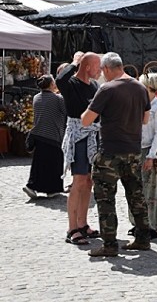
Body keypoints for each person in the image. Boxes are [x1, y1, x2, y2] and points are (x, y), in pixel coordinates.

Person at [82, 52, 152, 257]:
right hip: (133, 150)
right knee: (136, 196)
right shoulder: (140, 87)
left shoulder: (107, 89)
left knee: (105, 199)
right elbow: (145, 119)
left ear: (106, 69)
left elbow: (86, 120)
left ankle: (110, 244)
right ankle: (142, 239)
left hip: (110, 152)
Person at [58, 51, 101, 246]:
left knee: (89, 181)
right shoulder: (71, 84)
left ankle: (83, 223)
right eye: (97, 66)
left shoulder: (94, 85)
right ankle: (72, 228)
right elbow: (60, 78)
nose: (100, 70)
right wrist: (75, 61)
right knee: (78, 181)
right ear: (87, 67)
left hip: (93, 135)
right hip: (78, 136)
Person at [130, 72, 157, 239]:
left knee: (152, 190)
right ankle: (137, 223)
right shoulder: (140, 105)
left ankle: (153, 225)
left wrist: (151, 155)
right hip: (138, 149)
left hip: (151, 150)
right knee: (136, 189)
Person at [23, 74, 66, 199]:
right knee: (54, 163)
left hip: (38, 134)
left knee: (39, 163)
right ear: (52, 84)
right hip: (53, 135)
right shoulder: (58, 99)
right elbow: (66, 112)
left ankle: (32, 186)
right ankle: (51, 189)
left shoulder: (36, 97)